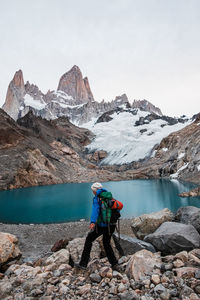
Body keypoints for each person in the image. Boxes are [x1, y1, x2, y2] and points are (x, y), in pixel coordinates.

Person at [75, 182, 120, 270]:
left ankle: (83, 263)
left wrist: (92, 222)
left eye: (92, 191)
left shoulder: (97, 198)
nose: (92, 192)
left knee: (89, 239)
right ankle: (114, 264)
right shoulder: (109, 196)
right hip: (112, 225)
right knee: (106, 243)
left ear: (95, 191)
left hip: (102, 226)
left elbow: (95, 210)